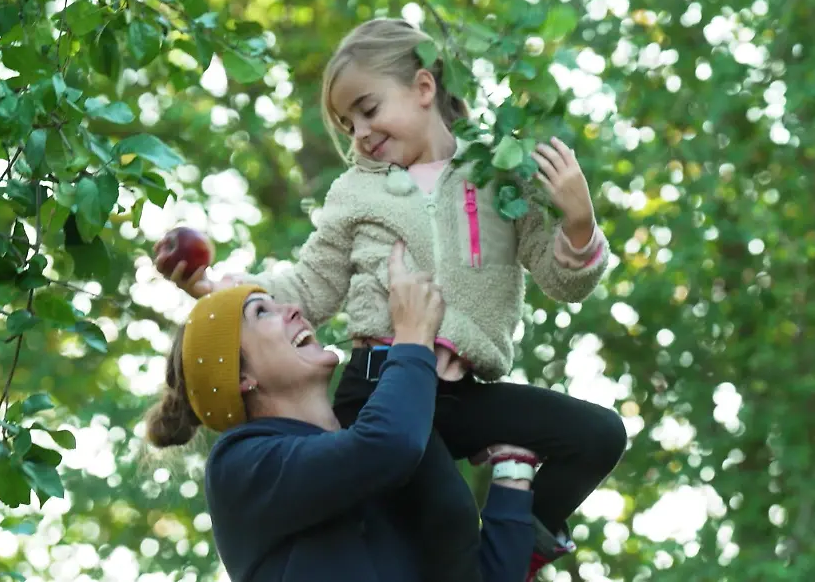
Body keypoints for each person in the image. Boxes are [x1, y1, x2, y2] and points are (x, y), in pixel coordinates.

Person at [156, 18, 627, 581]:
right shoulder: (357, 192)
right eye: (346, 123)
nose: (359, 132)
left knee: (599, 436)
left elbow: (562, 280)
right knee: (451, 518)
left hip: (459, 391)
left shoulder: (500, 175)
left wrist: (578, 222)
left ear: (423, 88)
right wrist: (223, 291)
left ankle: (526, 542)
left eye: (368, 109)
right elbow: (309, 287)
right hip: (382, 385)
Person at [143, 243, 540, 581]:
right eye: (261, 312)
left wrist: (513, 473)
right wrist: (412, 338)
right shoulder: (240, 465)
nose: (295, 309)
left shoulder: (377, 458)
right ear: (240, 375)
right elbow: (387, 444)